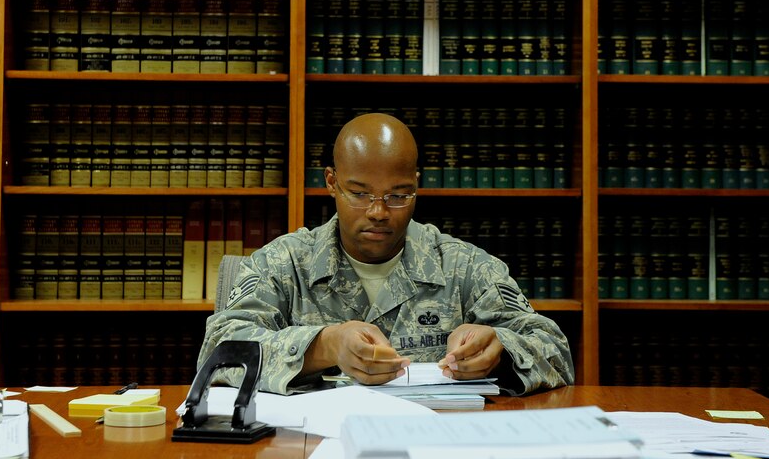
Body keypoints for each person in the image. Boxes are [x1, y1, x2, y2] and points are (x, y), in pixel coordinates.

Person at [198, 113, 574, 395]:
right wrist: (323, 345)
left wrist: (501, 348)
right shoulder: (284, 264)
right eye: (359, 193)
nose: (378, 212)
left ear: (416, 186)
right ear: (331, 182)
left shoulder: (464, 266)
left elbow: (556, 351)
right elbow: (217, 352)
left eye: (397, 195)